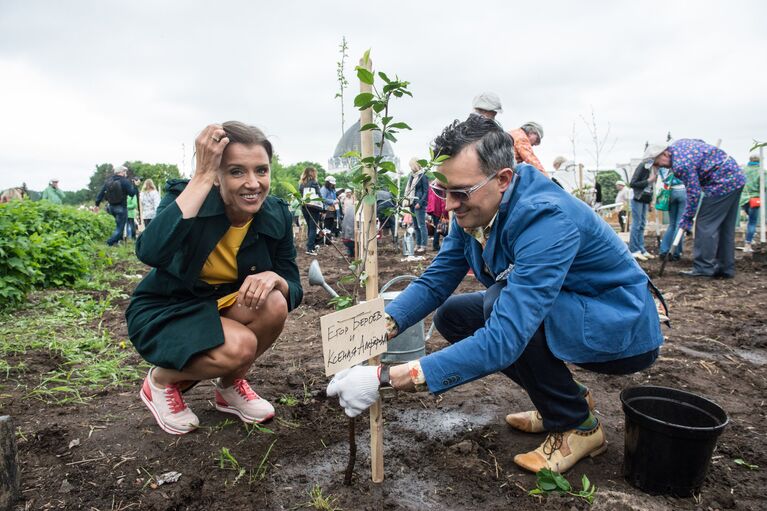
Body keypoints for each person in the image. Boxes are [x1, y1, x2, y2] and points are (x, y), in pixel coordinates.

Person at [327, 115, 663, 474]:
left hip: (617, 326)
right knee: (454, 315)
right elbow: (435, 281)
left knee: (500, 305)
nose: (450, 204)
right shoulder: (476, 209)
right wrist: (373, 329)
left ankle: (577, 425)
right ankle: (565, 398)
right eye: (443, 191)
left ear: (503, 179)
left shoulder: (547, 219)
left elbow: (505, 338)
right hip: (566, 310)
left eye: (460, 192)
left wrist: (384, 379)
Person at [126, 122, 302, 435]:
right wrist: (202, 176)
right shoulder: (188, 197)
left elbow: (294, 284)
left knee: (275, 302)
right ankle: (161, 381)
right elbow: (150, 251)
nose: (252, 183)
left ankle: (230, 388)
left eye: (261, 170)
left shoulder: (276, 214)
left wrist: (274, 276)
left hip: (221, 305)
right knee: (240, 346)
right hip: (170, 309)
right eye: (236, 171)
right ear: (217, 174)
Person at [645, 140, 746, 278]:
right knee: (725, 227)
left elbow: (694, 193)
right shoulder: (679, 145)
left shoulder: (681, 165)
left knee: (705, 225)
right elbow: (700, 143)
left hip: (721, 182)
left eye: (657, 163)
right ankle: (725, 268)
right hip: (735, 177)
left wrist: (686, 219)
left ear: (664, 153)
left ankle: (703, 268)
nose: (660, 166)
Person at [95, 166, 137, 246]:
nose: (126, 174)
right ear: (122, 172)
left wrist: (97, 204)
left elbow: (101, 193)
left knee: (117, 225)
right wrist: (134, 185)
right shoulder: (124, 181)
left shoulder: (108, 181)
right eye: (125, 172)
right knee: (120, 228)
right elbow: (132, 193)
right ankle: (109, 242)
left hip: (110, 207)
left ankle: (116, 243)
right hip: (121, 207)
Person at [628, 160, 656, 261]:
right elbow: (633, 183)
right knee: (637, 223)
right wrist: (649, 180)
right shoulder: (643, 166)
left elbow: (652, 188)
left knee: (643, 223)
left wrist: (650, 201)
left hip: (645, 198)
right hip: (637, 197)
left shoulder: (655, 168)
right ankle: (634, 250)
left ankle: (641, 248)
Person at [658, 168, 686, 260]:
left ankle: (664, 250)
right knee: (679, 224)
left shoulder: (661, 166)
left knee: (672, 224)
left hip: (669, 192)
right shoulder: (679, 159)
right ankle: (674, 252)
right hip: (682, 190)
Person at [404, 157, 429, 252]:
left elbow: (426, 192)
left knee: (421, 225)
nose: (411, 168)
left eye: (411, 166)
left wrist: (420, 202)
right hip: (411, 203)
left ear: (415, 165)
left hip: (419, 204)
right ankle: (418, 244)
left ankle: (423, 245)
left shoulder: (423, 176)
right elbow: (409, 189)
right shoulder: (411, 176)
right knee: (415, 226)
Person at [739, 154, 762, 253]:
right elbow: (764, 186)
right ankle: (747, 245)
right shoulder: (761, 171)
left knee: (745, 221)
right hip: (754, 200)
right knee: (752, 222)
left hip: (743, 199)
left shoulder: (743, 170)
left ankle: (750, 238)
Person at [298, 167, 322, 256]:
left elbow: (300, 195)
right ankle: (310, 249)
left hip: (305, 207)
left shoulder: (301, 184)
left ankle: (310, 246)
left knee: (310, 227)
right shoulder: (314, 183)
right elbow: (319, 194)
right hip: (314, 207)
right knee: (313, 228)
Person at [426, 177, 447, 251]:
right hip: (438, 210)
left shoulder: (432, 186)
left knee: (437, 227)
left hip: (433, 209)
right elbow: (442, 200)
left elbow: (429, 198)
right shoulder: (439, 187)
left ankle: (436, 245)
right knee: (439, 229)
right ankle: (436, 245)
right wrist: (444, 212)